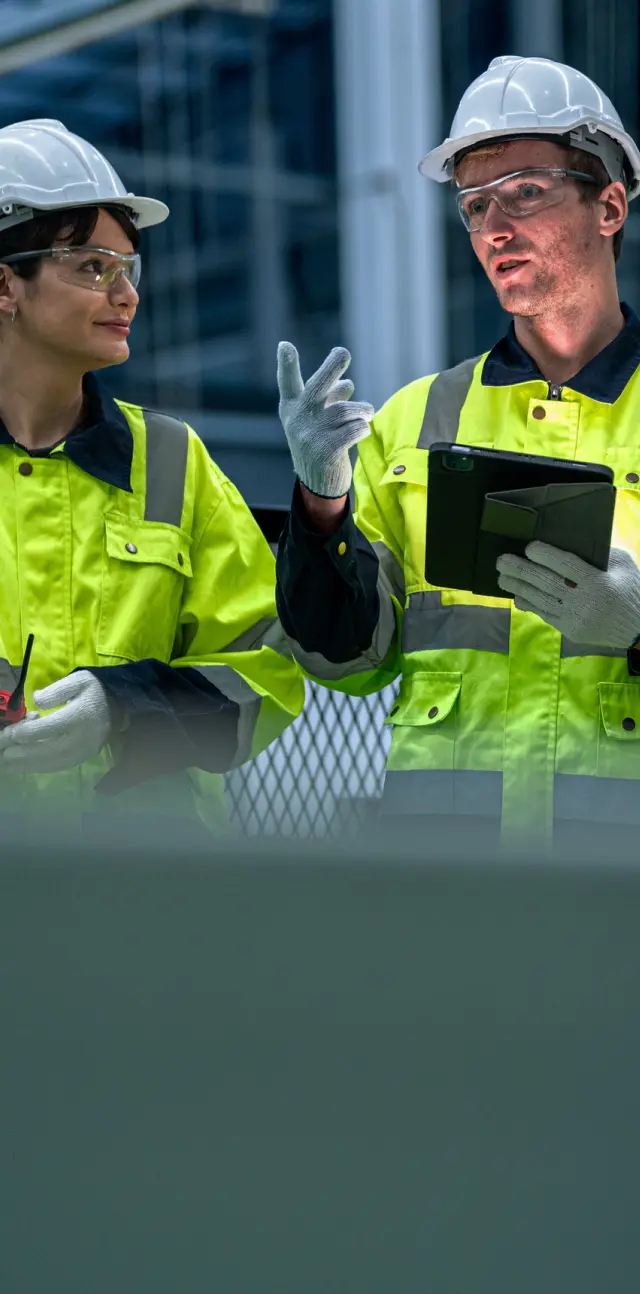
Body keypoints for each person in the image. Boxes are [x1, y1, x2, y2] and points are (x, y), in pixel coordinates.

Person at [274, 55, 640, 848]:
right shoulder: (417, 419)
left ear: (609, 205)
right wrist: (319, 507)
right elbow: (344, 661)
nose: (495, 227)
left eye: (527, 194)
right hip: (445, 877)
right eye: (475, 206)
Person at [0, 118, 304, 844]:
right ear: (5, 284)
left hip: (148, 892)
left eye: (129, 268)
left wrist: (127, 706)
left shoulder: (170, 461)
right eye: (93, 268)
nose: (127, 294)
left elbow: (268, 671)